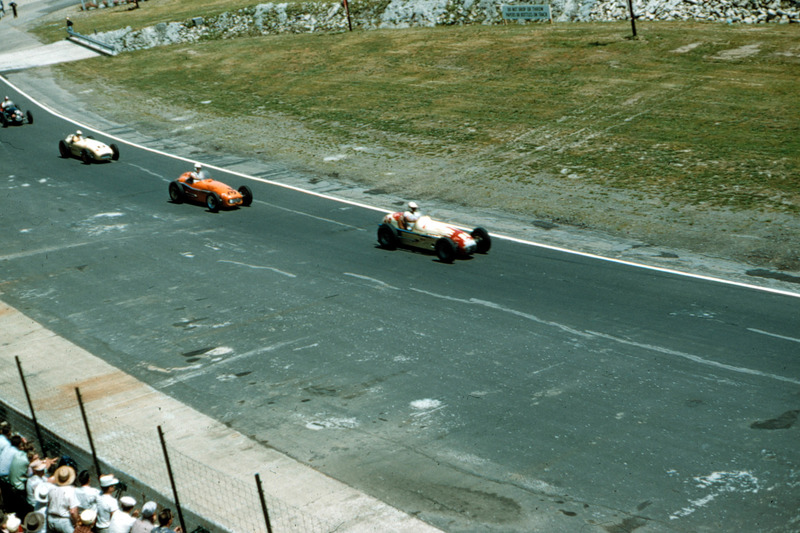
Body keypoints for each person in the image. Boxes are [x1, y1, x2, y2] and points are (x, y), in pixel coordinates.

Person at [45, 466, 79, 533]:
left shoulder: (51, 489)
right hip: (63, 521)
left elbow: (49, 504)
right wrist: (76, 523)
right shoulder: (70, 491)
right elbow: (73, 511)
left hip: (51, 518)